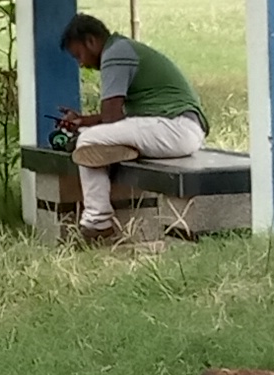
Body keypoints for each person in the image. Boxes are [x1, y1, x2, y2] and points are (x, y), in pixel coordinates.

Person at [52, 12, 207, 238]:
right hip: (174, 127)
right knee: (90, 136)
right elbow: (120, 116)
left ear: (91, 41)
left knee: (86, 141)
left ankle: (98, 221)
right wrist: (83, 121)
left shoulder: (115, 54)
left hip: (175, 128)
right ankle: (116, 161)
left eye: (79, 55)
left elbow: (112, 117)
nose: (82, 63)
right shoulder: (123, 49)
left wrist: (87, 129)